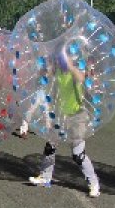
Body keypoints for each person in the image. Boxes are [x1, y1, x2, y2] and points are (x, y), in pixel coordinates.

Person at [28, 46, 100, 197]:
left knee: (78, 154)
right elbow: (46, 78)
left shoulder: (75, 71)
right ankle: (45, 177)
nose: (60, 60)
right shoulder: (57, 72)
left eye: (63, 57)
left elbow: (81, 78)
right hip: (60, 116)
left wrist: (70, 65)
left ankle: (93, 183)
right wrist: (44, 65)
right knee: (50, 146)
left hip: (77, 116)